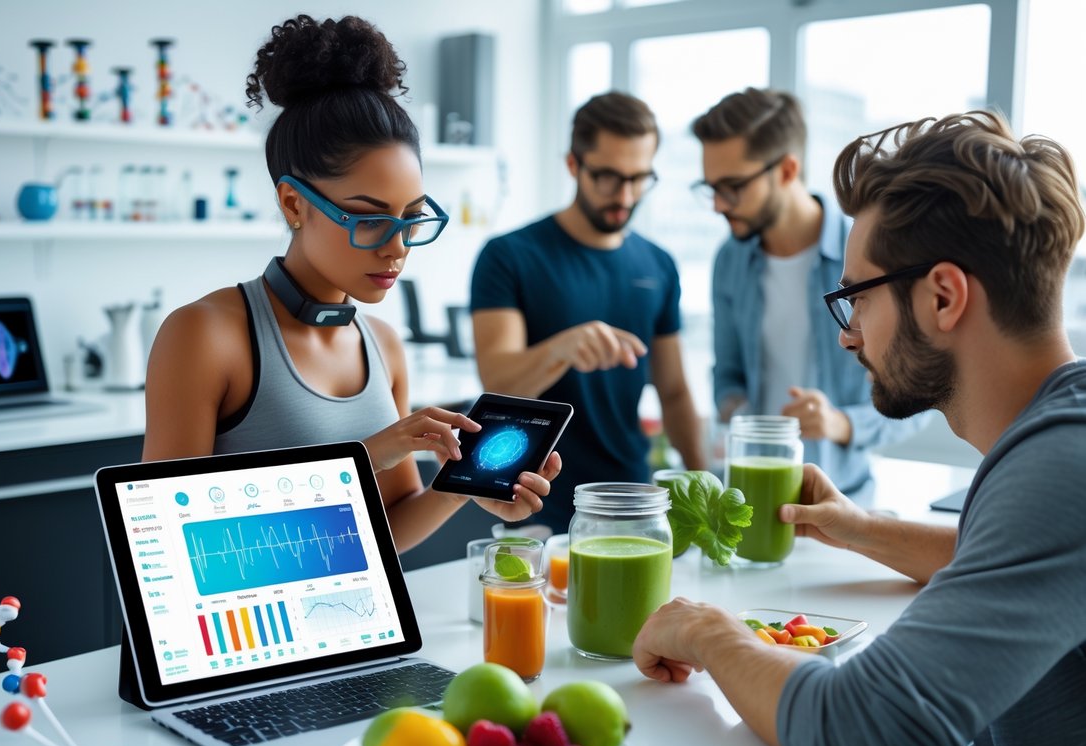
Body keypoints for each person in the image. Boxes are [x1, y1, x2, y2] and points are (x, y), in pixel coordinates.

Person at [633, 111, 1086, 746]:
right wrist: (858, 528)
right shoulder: (1055, 435)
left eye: (856, 298)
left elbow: (851, 724)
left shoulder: (1061, 467)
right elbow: (997, 560)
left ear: (942, 296)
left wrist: (705, 632)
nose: (847, 335)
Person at [142, 15, 560, 553]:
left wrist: (464, 488)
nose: (398, 246)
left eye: (411, 218)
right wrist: (362, 459)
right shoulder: (204, 334)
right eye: (369, 218)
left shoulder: (382, 343)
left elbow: (385, 529)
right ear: (294, 204)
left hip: (345, 627)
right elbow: (163, 535)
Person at [470, 92, 705, 533]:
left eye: (639, 179)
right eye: (608, 177)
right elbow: (496, 383)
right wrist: (563, 348)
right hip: (536, 503)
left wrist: (702, 481)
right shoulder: (509, 256)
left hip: (630, 502)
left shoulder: (659, 265)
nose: (625, 195)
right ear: (573, 165)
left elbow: (673, 391)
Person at [691, 88, 925, 492]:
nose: (717, 205)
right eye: (711, 187)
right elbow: (726, 375)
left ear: (785, 170)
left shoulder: (867, 252)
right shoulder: (729, 260)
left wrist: (839, 423)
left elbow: (920, 396)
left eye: (732, 187)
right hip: (751, 494)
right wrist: (742, 416)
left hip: (845, 499)